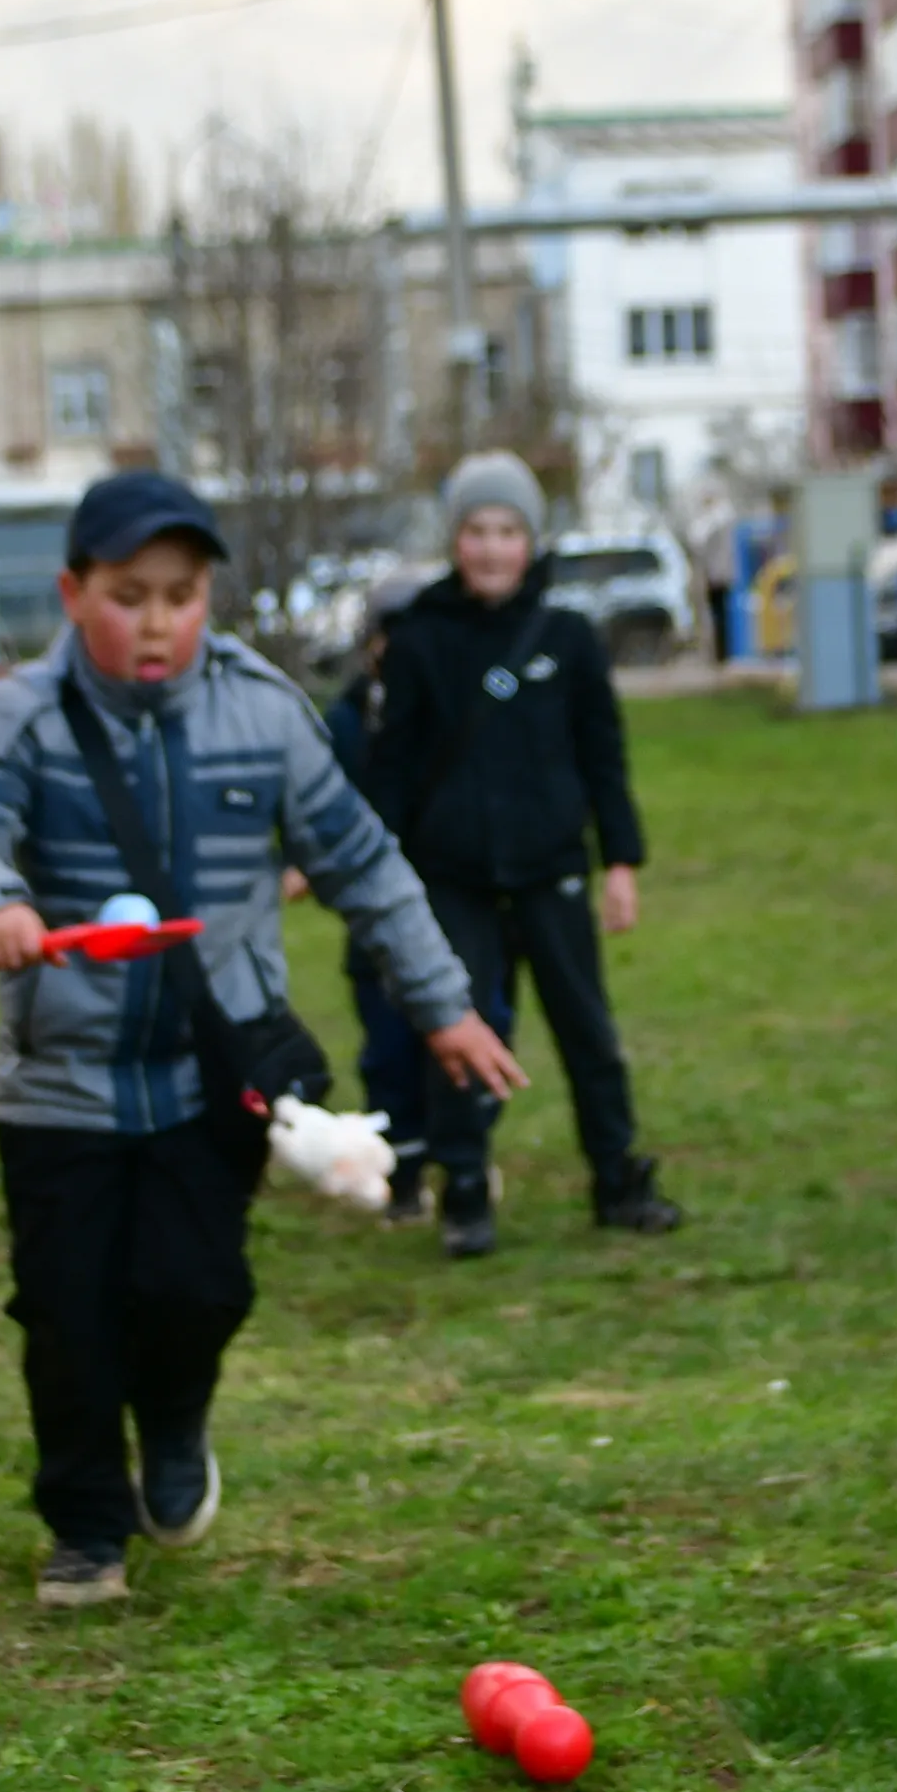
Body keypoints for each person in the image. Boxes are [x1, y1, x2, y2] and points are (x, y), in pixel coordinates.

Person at [0, 470, 529, 1607]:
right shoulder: (24, 718)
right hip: (60, 1080)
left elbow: (364, 864)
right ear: (73, 592)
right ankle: (88, 1528)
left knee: (195, 1286)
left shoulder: (264, 711)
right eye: (128, 594)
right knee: (68, 1311)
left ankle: (178, 1420)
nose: (156, 621)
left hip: (214, 1070)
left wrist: (443, 1006)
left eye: (182, 595)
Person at [366, 452, 684, 1257]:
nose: (492, 548)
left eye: (508, 531)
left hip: (551, 870)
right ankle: (465, 1191)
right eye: (476, 530)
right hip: (454, 875)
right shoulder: (420, 640)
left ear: (531, 541)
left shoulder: (569, 639)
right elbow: (393, 769)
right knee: (461, 1032)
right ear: (455, 540)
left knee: (588, 1031)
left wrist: (621, 862)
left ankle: (617, 1177)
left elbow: (602, 757)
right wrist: (379, 876)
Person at [317, 571, 509, 1222]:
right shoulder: (344, 721)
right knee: (390, 1048)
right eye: (389, 638)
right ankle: (402, 1170)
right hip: (377, 911)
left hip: (459, 897)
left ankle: (466, 1154)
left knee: (479, 1027)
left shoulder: (460, 705)